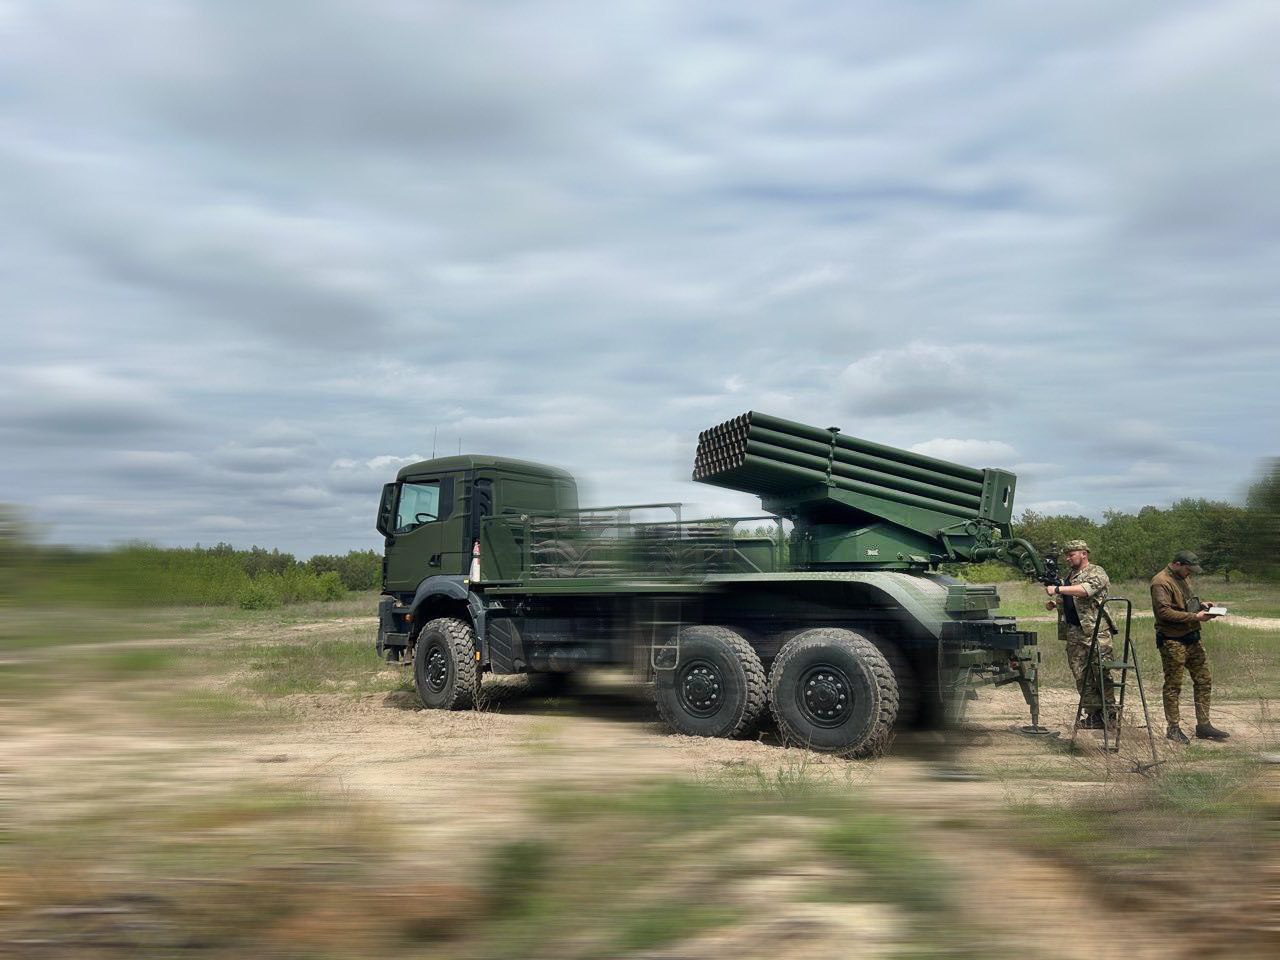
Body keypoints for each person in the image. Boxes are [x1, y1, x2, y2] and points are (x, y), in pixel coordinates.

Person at [1150, 550, 1229, 743]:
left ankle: (1203, 724)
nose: (1190, 573)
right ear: (1177, 564)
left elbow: (1183, 604)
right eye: (1188, 569)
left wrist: (1201, 606)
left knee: (1204, 680)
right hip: (1173, 640)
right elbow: (1164, 613)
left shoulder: (1182, 578)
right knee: (1173, 686)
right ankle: (1173, 727)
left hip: (1192, 636)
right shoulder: (1161, 581)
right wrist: (1196, 617)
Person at [1044, 540, 1115, 728]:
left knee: (1101, 672)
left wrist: (1058, 589)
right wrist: (1056, 603)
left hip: (1095, 631)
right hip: (1074, 632)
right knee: (1081, 675)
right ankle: (1094, 714)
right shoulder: (1070, 575)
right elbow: (1069, 598)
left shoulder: (1096, 572)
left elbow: (1085, 590)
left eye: (1071, 554)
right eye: (1066, 555)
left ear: (1083, 553)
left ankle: (1110, 714)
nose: (1068, 558)